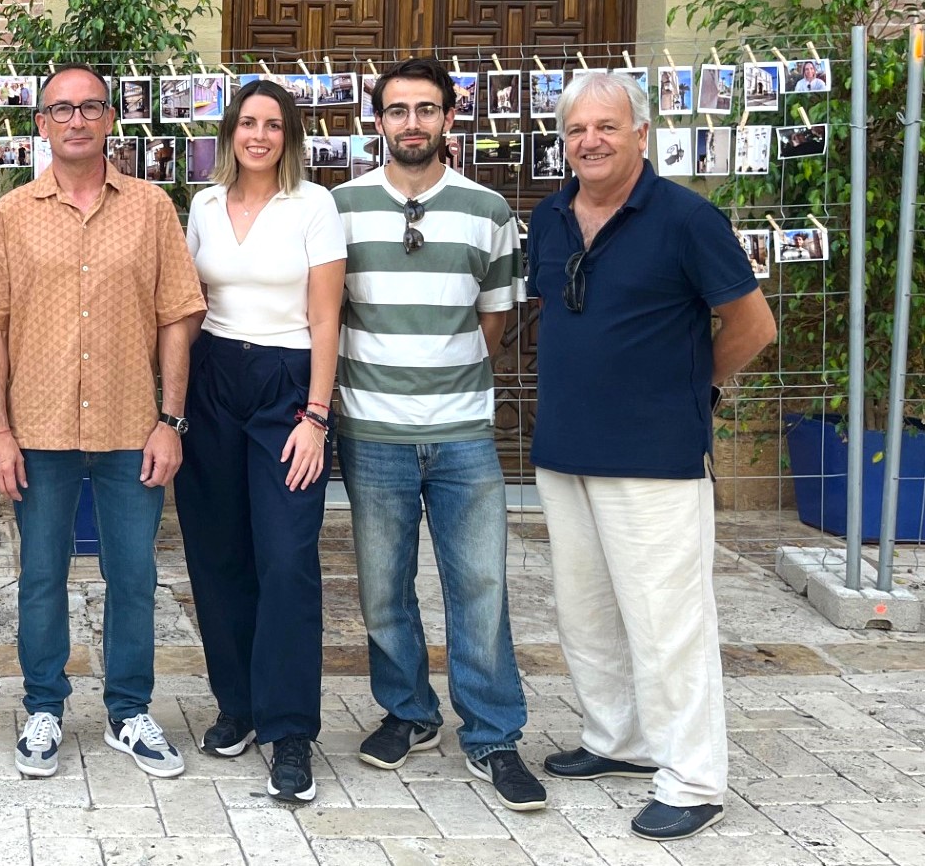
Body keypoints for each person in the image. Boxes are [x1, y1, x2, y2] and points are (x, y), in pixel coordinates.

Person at [527, 71, 777, 842]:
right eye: (577, 129)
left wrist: (692, 388)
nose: (590, 141)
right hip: (564, 449)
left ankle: (694, 778)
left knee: (669, 621)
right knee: (587, 610)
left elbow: (753, 326)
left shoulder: (687, 219)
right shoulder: (549, 217)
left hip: (655, 456)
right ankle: (619, 740)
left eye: (607, 126)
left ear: (641, 134)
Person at [0, 63, 205, 781]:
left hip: (132, 427)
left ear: (111, 119)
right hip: (37, 431)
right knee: (40, 575)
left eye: (91, 107)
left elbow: (178, 316)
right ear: (41, 123)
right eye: (62, 109)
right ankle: (44, 707)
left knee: (133, 575)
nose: (77, 120)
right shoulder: (11, 215)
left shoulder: (152, 208)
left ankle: (129, 712)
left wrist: (171, 420)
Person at [330, 59, 546, 812]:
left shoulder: (488, 210)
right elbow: (330, 314)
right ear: (377, 121)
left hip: (462, 433)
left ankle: (493, 734)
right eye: (398, 110)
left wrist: (442, 377)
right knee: (382, 588)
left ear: (450, 118)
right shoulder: (341, 208)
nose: (412, 123)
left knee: (480, 586)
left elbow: (495, 319)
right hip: (373, 430)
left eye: (427, 109)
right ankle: (409, 712)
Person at [178, 79, 344, 802]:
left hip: (287, 386)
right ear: (230, 132)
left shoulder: (314, 205)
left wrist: (316, 416)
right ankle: (238, 705)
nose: (259, 135)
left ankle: (291, 730)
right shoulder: (204, 205)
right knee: (217, 552)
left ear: (289, 136)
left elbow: (327, 318)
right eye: (248, 122)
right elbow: (188, 307)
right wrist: (170, 402)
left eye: (273, 125)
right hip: (214, 377)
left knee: (285, 558)